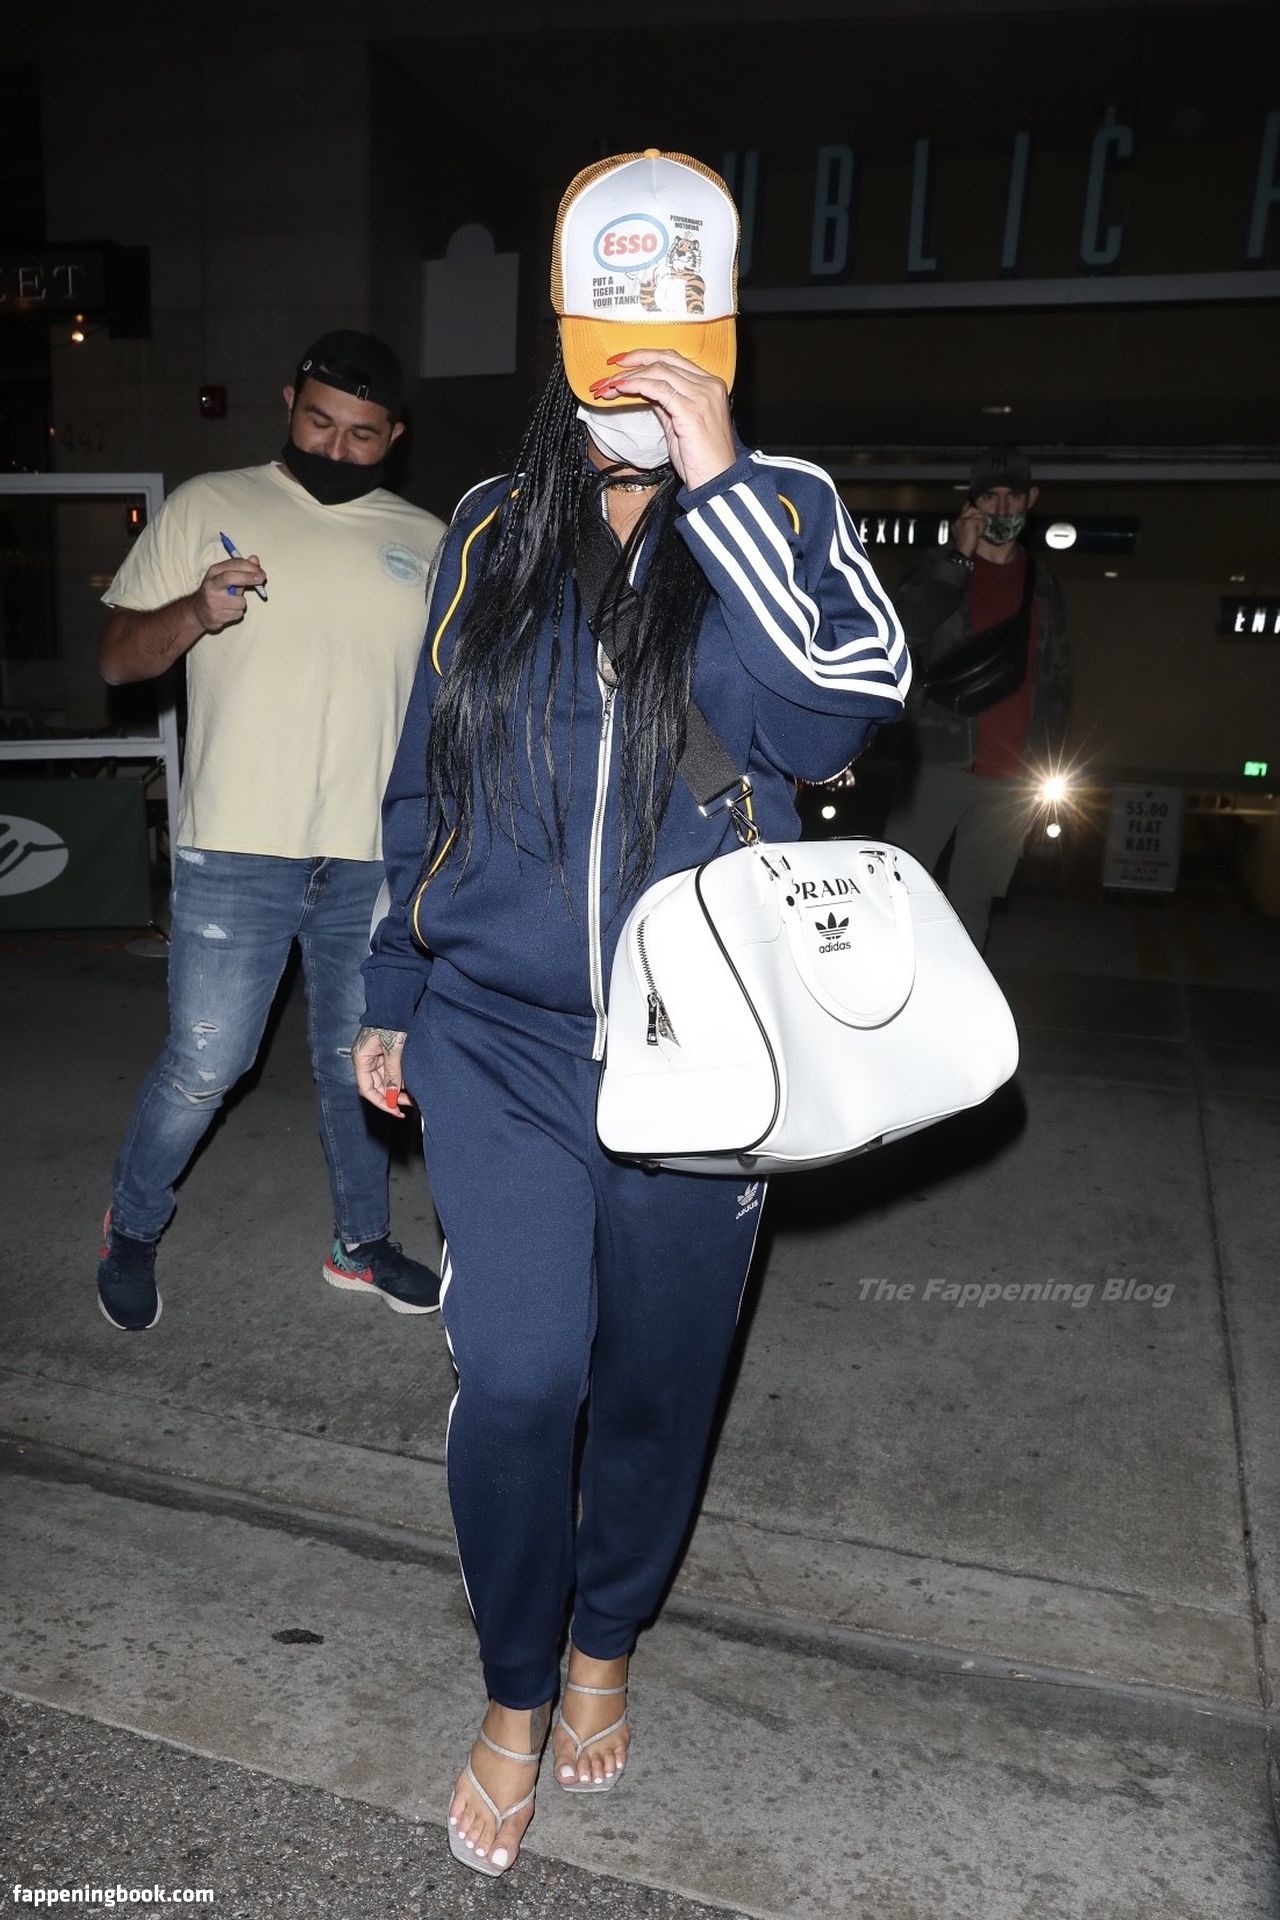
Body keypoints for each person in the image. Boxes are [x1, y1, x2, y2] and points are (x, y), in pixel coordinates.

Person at [353, 150, 911, 1878]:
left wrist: (720, 481)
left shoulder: (786, 510)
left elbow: (834, 714)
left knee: (659, 1391)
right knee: (524, 1378)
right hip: (500, 1037)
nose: (638, 387)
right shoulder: (488, 527)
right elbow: (422, 778)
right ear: (564, 340)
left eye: (669, 355)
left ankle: (608, 1637)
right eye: (610, 353)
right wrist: (393, 985)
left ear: (721, 348)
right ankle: (519, 1688)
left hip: (710, 1050)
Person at [95, 330, 446, 1332]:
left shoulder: (427, 540)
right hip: (237, 847)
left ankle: (358, 1244)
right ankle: (131, 1226)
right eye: (319, 423)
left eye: (362, 435)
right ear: (290, 401)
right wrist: (196, 612)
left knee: (361, 1065)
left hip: (370, 856)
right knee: (207, 1064)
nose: (336, 448)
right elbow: (119, 659)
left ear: (395, 436)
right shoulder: (207, 504)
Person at [883, 447, 1070, 950]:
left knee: (973, 905)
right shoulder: (938, 568)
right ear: (971, 503)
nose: (1003, 508)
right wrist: (958, 558)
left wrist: (1045, 767)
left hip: (1012, 781)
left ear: (1031, 499)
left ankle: (959, 997)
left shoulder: (1043, 585)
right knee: (898, 889)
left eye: (1013, 496)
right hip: (938, 762)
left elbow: (1055, 682)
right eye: (991, 497)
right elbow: (903, 632)